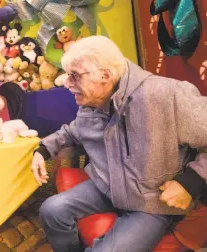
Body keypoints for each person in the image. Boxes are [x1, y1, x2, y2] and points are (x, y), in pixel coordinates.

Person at [31, 36, 207, 252]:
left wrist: (192, 182)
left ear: (105, 75)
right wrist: (42, 150)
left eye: (74, 76)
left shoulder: (166, 95)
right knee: (51, 210)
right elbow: (73, 131)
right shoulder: (92, 103)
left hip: (150, 201)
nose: (67, 84)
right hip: (108, 187)